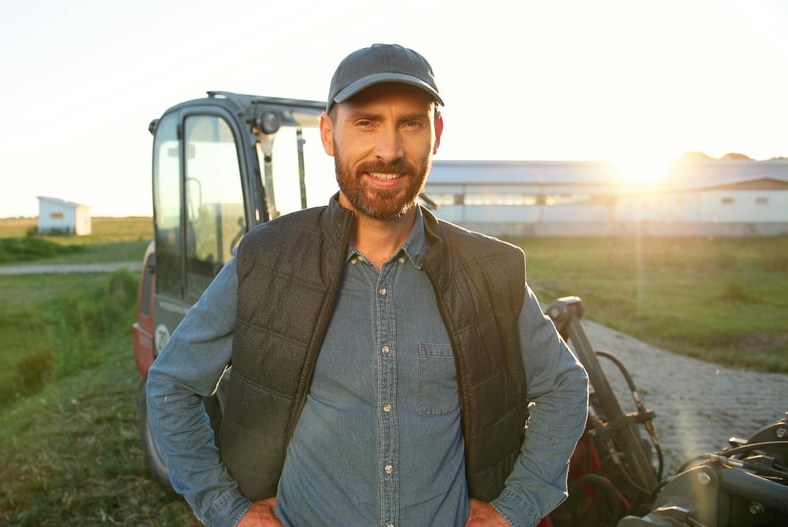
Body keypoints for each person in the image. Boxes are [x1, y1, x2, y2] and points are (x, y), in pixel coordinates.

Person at [147, 43, 589, 527]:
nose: (389, 150)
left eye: (411, 123)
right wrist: (226, 510)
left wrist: (516, 508)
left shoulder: (488, 270)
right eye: (366, 122)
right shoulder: (266, 260)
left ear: (436, 135)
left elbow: (565, 387)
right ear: (328, 134)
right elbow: (171, 383)